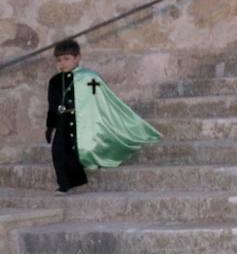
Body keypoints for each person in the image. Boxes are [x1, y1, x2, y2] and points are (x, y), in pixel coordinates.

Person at [46, 39, 161, 194]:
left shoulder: (89, 78)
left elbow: (101, 98)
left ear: (77, 58)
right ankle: (64, 184)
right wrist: (50, 125)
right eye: (59, 60)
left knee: (77, 150)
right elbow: (52, 105)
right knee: (58, 151)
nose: (63, 63)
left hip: (83, 121)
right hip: (63, 121)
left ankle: (71, 181)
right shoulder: (54, 81)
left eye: (67, 59)